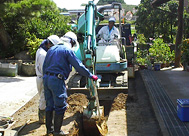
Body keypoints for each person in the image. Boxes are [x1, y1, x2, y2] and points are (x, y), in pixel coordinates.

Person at [43, 31, 98, 135]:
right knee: (60, 106)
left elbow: (44, 66)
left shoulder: (51, 50)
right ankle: (57, 131)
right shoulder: (67, 50)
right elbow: (78, 66)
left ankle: (49, 130)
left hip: (46, 78)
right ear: (71, 42)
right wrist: (90, 75)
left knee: (49, 105)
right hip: (56, 80)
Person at [35, 35, 61, 124]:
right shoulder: (43, 54)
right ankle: (42, 118)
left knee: (44, 97)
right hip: (43, 78)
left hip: (42, 77)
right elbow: (44, 69)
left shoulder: (41, 51)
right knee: (43, 97)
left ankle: (44, 117)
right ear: (49, 44)